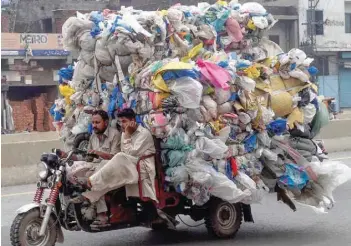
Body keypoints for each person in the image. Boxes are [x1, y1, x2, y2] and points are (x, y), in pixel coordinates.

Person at [77, 108, 160, 226]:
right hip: (130, 164)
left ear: (133, 121)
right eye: (120, 122)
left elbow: (129, 153)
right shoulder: (124, 133)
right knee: (106, 169)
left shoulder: (143, 134)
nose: (122, 124)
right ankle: (88, 196)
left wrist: (126, 135)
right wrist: (126, 135)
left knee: (119, 157)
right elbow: (126, 153)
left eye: (125, 121)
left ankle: (92, 182)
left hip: (143, 167)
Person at [62, 110, 121, 218]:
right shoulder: (93, 136)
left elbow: (116, 157)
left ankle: (101, 213)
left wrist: (99, 153)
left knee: (92, 176)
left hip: (110, 167)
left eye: (97, 122)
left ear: (106, 123)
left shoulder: (115, 135)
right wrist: (70, 157)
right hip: (94, 166)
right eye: (93, 123)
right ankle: (75, 207)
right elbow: (87, 157)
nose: (94, 125)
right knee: (70, 174)